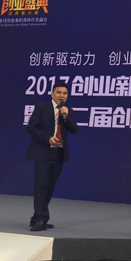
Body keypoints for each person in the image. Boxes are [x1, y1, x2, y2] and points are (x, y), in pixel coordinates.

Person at [25, 82, 78, 231]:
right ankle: (41, 219)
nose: (62, 96)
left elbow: (74, 129)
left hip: (59, 153)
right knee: (41, 186)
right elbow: (31, 127)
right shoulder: (42, 108)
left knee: (49, 187)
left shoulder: (67, 111)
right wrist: (47, 138)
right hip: (44, 152)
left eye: (65, 93)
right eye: (59, 92)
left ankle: (37, 217)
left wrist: (66, 117)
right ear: (52, 94)